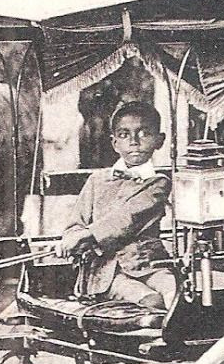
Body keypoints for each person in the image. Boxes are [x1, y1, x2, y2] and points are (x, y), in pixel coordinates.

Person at [56, 101, 174, 311]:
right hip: (105, 273)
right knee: (151, 301)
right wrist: (70, 240)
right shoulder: (96, 180)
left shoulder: (158, 182)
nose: (134, 142)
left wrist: (86, 236)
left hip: (151, 265)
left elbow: (128, 217)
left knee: (175, 293)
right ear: (114, 143)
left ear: (160, 140)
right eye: (124, 135)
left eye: (143, 133)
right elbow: (75, 225)